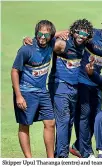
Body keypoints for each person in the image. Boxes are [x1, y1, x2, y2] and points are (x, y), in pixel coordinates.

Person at [23, 15, 102, 158]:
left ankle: (74, 148)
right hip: (68, 83)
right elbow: (46, 40)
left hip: (85, 84)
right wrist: (32, 39)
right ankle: (67, 155)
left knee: (83, 119)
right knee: (70, 119)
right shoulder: (75, 40)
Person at [48, 19, 94, 158]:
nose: (81, 36)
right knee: (63, 120)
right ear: (73, 32)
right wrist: (55, 34)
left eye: (85, 34)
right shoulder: (63, 44)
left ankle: (60, 154)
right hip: (59, 85)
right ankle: (62, 157)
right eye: (79, 32)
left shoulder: (83, 46)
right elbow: (43, 42)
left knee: (69, 122)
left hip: (74, 88)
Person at [11, 20, 57, 158]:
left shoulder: (51, 44)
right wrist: (18, 96)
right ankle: (29, 160)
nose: (42, 38)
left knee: (50, 122)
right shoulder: (26, 49)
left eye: (46, 35)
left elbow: (59, 34)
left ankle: (51, 159)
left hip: (43, 92)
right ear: (35, 33)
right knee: (24, 125)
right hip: (26, 92)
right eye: (39, 34)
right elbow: (14, 71)